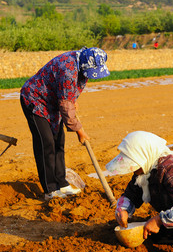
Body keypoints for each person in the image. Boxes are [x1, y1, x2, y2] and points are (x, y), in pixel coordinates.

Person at [20, 47, 110, 200]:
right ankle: (50, 189)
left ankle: (62, 183)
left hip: (53, 103)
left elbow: (70, 93)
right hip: (35, 100)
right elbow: (65, 104)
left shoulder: (82, 65)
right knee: (46, 143)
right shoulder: (68, 69)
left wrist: (72, 100)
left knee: (58, 142)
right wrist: (79, 131)